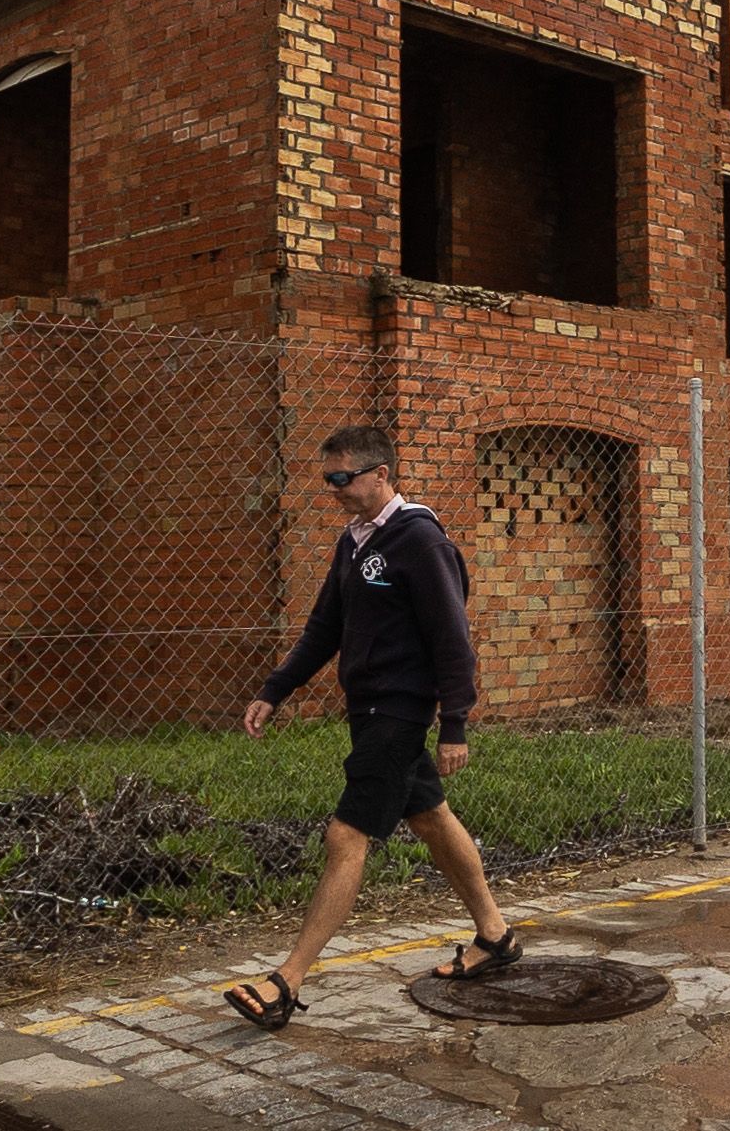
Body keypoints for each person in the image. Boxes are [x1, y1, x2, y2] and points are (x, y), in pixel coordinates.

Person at [223, 422, 517, 1029]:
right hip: (369, 710)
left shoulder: (419, 541)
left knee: (346, 837)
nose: (333, 490)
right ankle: (495, 935)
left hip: (400, 713)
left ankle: (287, 982)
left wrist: (454, 723)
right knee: (430, 818)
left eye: (343, 478)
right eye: (327, 479)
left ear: (381, 474)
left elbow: (452, 639)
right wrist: (274, 690)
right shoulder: (353, 542)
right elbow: (323, 629)